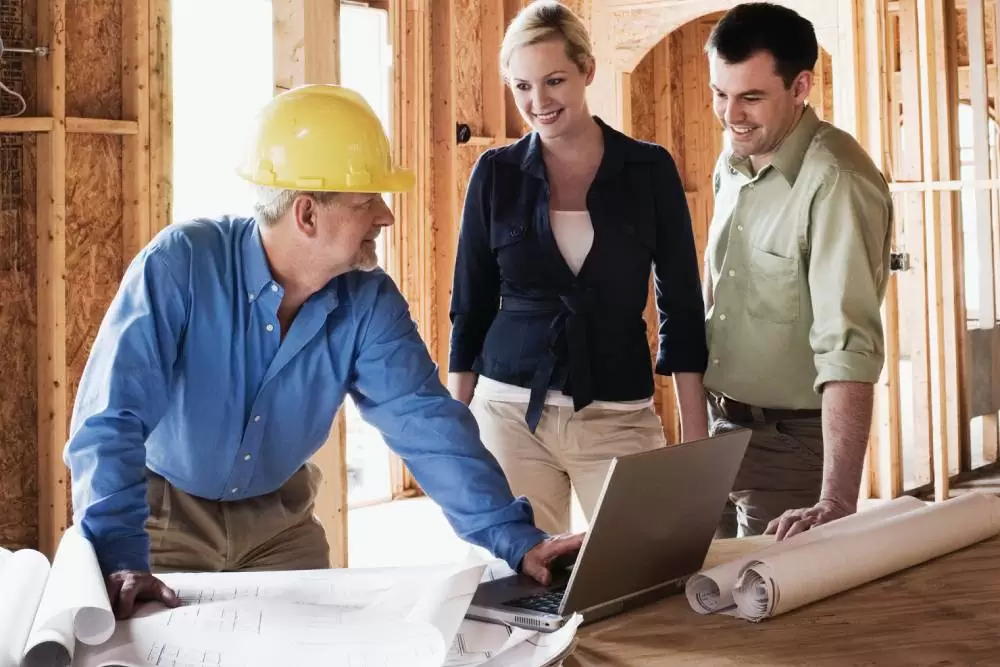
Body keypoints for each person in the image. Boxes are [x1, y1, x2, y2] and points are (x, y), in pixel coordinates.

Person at [64, 84, 583, 620]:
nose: (386, 217)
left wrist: (515, 537)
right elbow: (111, 418)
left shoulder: (367, 299)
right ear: (307, 215)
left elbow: (425, 423)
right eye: (367, 202)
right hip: (162, 520)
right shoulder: (180, 266)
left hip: (279, 527)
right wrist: (118, 555)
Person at [447, 0, 709, 536]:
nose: (538, 101)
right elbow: (469, 306)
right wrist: (456, 433)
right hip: (508, 413)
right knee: (516, 584)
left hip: (617, 411)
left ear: (587, 71)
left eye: (554, 80)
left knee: (645, 565)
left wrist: (696, 440)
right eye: (522, 87)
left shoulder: (648, 169)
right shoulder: (494, 174)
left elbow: (681, 304)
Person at [701, 3, 893, 540]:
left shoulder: (837, 181)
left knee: (766, 612)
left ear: (801, 85)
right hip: (717, 434)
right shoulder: (733, 157)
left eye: (751, 97)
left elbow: (847, 346)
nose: (731, 114)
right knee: (692, 607)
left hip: (790, 446)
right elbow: (718, 286)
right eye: (720, 93)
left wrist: (836, 500)